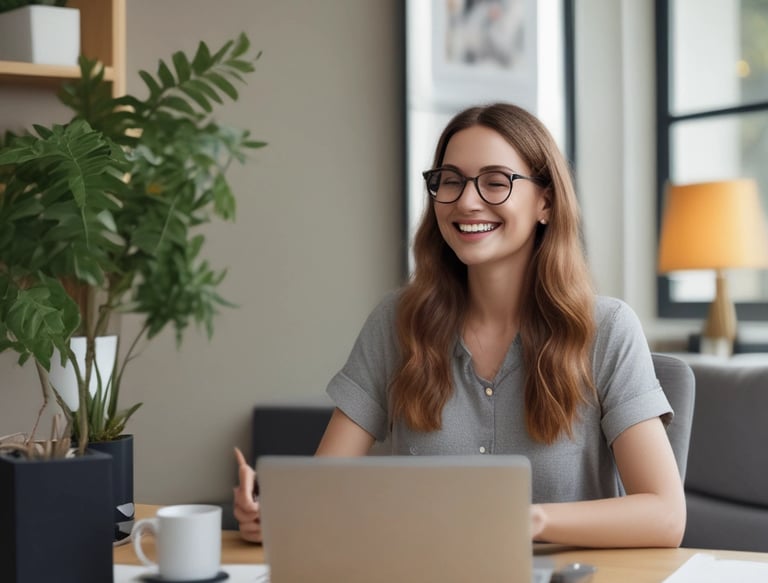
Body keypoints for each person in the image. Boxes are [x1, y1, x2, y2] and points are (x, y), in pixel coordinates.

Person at [234, 102, 686, 547]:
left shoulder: (607, 329)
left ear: (545, 201)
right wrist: (278, 512)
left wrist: (529, 520)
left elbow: (665, 516)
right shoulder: (396, 323)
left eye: (495, 182)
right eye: (450, 182)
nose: (467, 202)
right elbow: (321, 492)